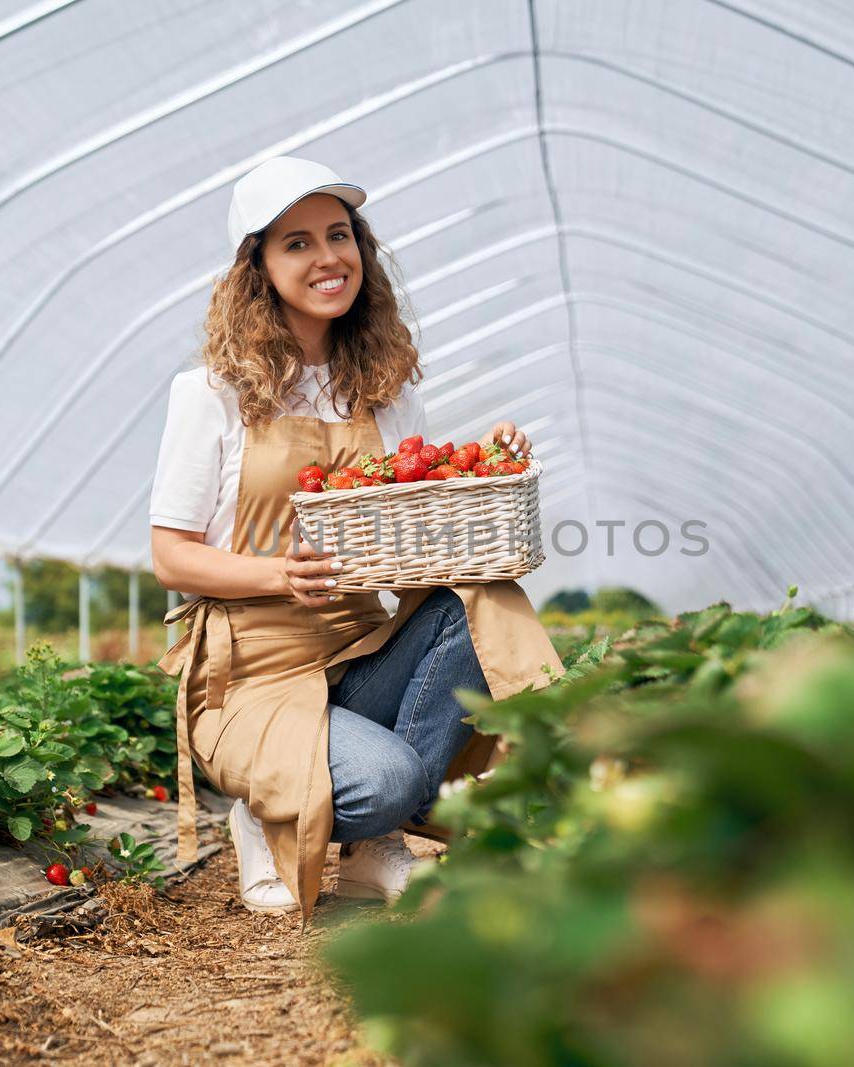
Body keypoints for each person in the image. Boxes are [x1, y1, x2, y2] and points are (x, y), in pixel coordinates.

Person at [149, 155, 563, 923]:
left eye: (338, 235)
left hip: (356, 652)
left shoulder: (386, 390)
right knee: (387, 780)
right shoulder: (209, 394)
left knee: (481, 597)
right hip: (253, 673)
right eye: (297, 243)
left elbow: (420, 521)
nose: (327, 257)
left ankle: (373, 847)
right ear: (259, 268)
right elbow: (171, 553)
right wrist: (280, 574)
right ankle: (266, 817)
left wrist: (486, 459)